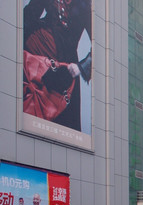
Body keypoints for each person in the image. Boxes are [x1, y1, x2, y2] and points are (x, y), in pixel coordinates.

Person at [23, 0, 92, 129]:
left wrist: (81, 68)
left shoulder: (86, 4)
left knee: (63, 126)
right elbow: (28, 17)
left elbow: (103, 46)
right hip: (36, 63)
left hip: (65, 71)